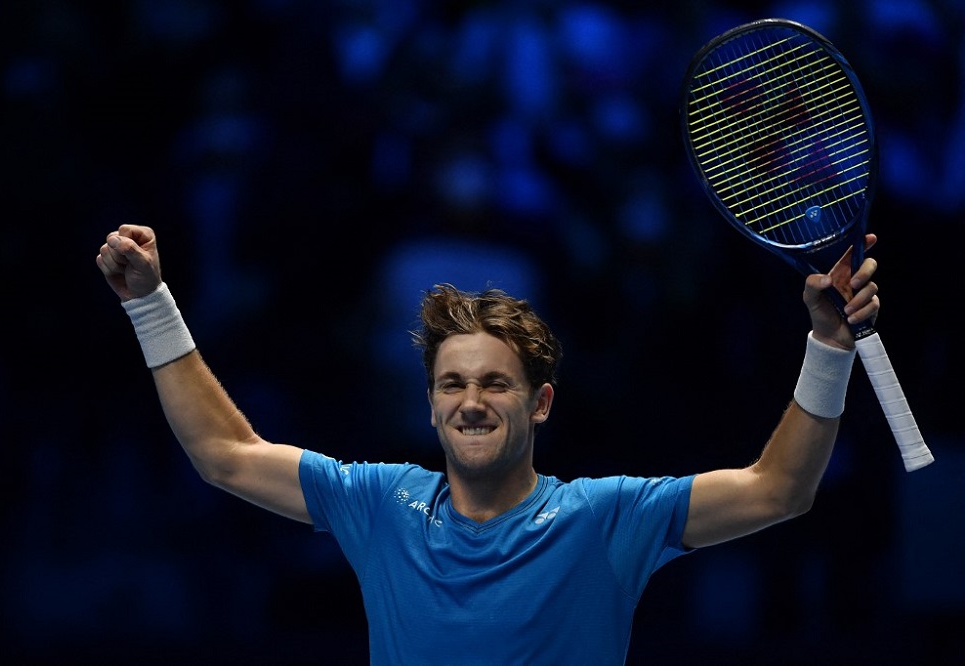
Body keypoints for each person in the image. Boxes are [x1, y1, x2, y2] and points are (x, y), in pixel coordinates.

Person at [96, 223, 880, 664]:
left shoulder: (608, 518)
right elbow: (224, 454)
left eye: (494, 385)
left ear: (540, 403)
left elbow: (780, 488)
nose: (471, 403)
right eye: (451, 385)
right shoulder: (378, 503)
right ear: (430, 407)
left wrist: (828, 346)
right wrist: (151, 304)